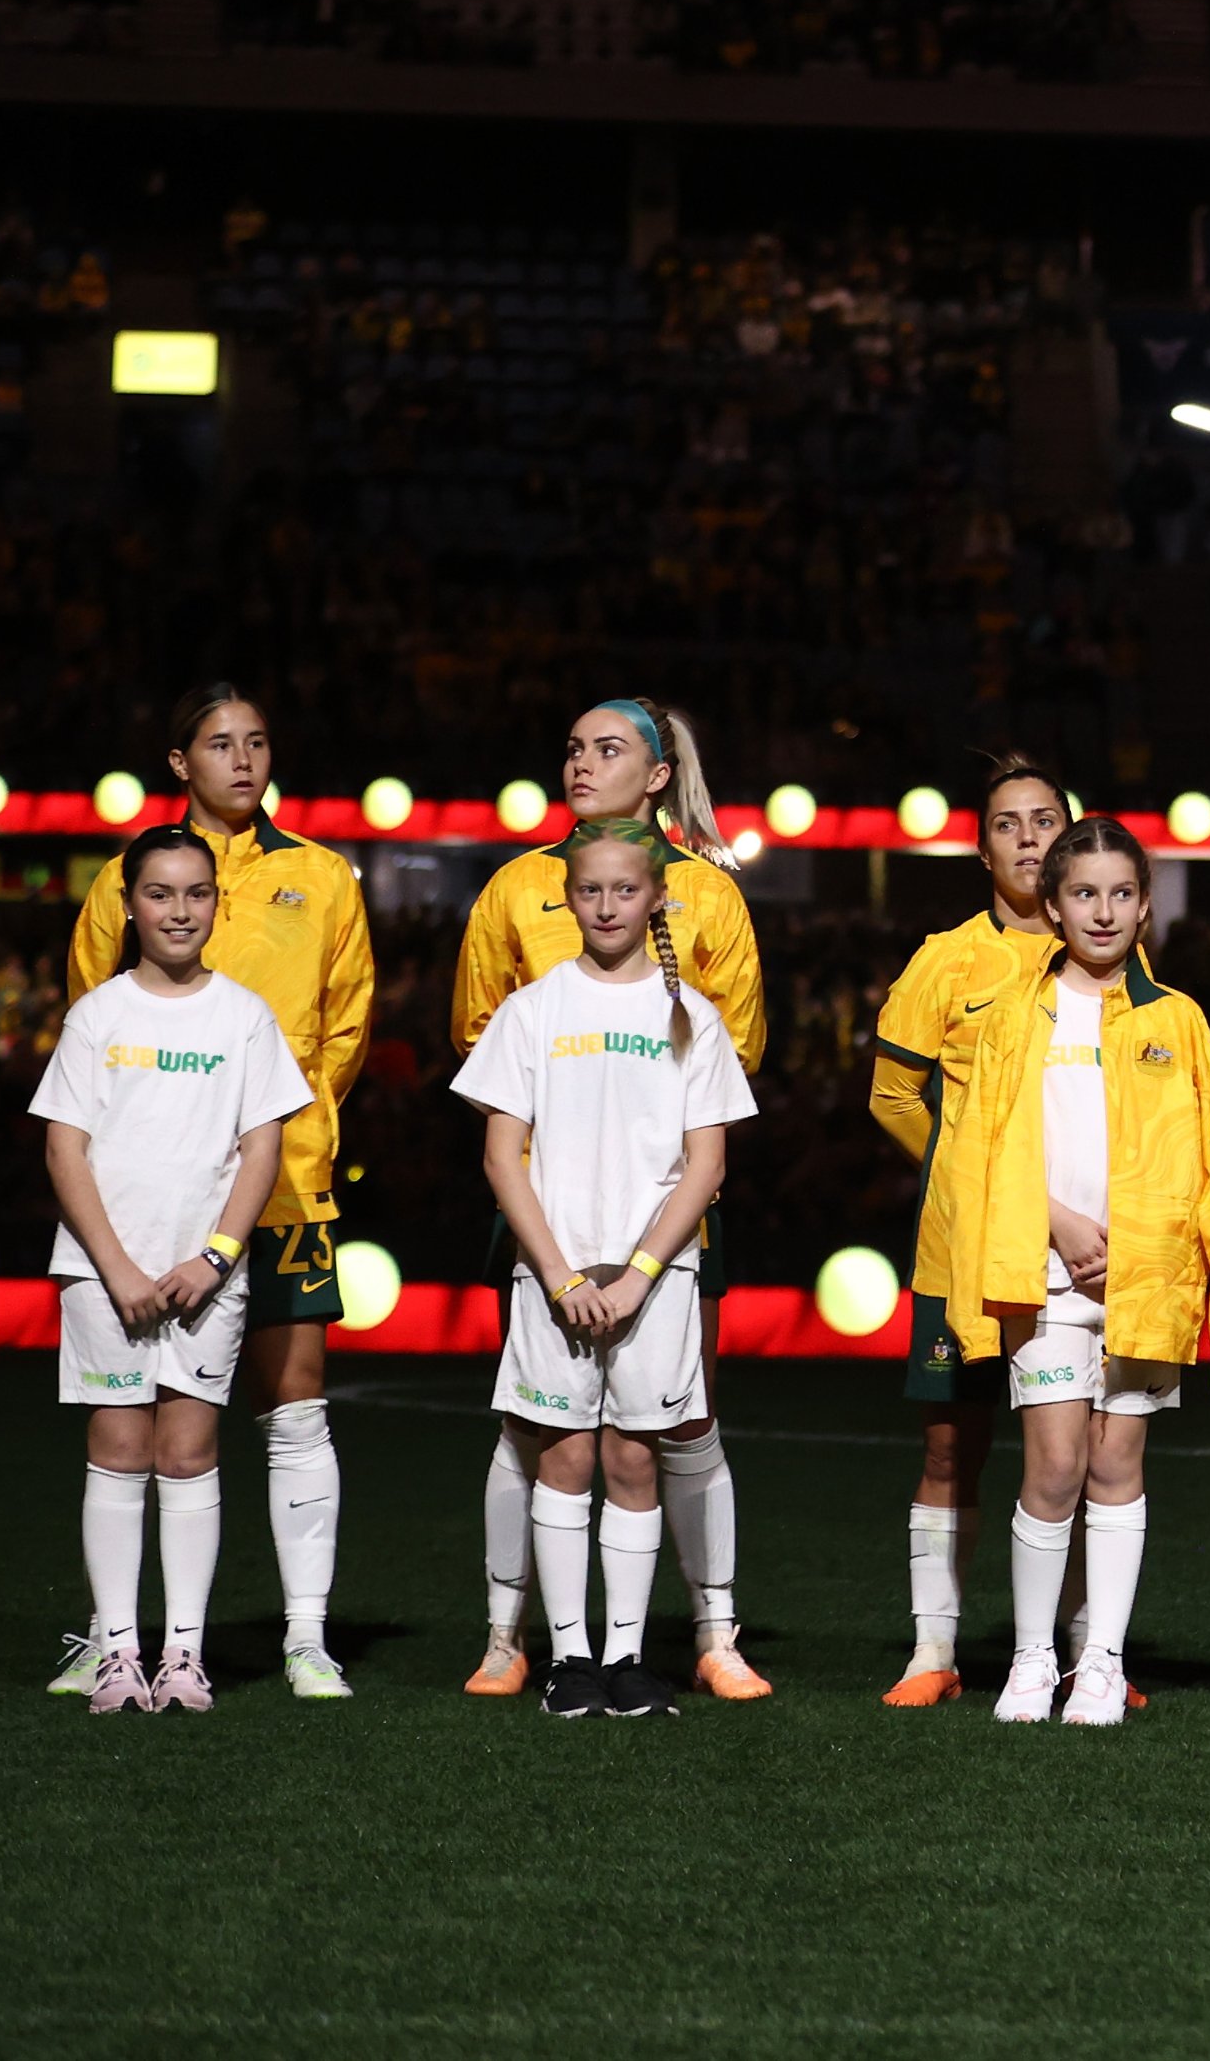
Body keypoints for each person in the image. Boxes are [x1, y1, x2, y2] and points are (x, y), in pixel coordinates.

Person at [58, 684, 373, 1701]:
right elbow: (92, 1015)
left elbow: (341, 1031)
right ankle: (116, 1639)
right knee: (134, 1424)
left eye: (259, 742)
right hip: (147, 1198)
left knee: (293, 1403)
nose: (243, 759)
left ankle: (304, 1636)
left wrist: (287, 1140)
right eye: (219, 744)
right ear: (178, 761)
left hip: (280, 1189)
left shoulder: (321, 876)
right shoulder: (125, 877)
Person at [451, 697, 768, 1701]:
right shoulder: (514, 893)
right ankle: (520, 1638)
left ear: (661, 771)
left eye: (609, 748)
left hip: (660, 1227)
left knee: (672, 1429)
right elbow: (480, 1044)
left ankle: (705, 1632)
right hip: (549, 1216)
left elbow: (729, 1070)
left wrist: (640, 1258)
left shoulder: (710, 904)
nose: (583, 764)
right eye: (572, 747)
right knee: (541, 1437)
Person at [927, 816, 1210, 1724]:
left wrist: (1179, 1268)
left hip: (1141, 1281)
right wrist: (1063, 1226)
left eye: (1122, 893)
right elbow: (980, 1150)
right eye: (1084, 893)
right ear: (1053, 903)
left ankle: (1102, 1663)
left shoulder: (1177, 1019)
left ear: (1147, 905)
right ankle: (1032, 1660)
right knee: (1054, 1467)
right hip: (1041, 1272)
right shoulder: (1009, 1020)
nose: (1103, 911)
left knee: (1119, 1467)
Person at [34, 824, 308, 1715]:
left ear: (217, 905)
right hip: (104, 1275)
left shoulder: (243, 1016)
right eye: (160, 894)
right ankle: (118, 1651)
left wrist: (215, 1256)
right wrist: (114, 1268)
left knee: (188, 1454)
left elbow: (261, 1147)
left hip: (204, 1279)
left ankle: (182, 1656)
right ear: (130, 904)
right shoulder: (98, 1015)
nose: (179, 910)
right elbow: (64, 1148)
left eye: (196, 893)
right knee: (118, 1449)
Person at [862, 755, 1066, 1705]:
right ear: (982, 848)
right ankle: (932, 1654)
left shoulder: (1111, 955)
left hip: (1077, 1252)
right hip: (964, 1249)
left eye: (1044, 820)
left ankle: (1075, 1651)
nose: (1029, 838)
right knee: (954, 1446)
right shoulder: (947, 957)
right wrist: (968, 1182)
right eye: (1009, 824)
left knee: (1078, 1452)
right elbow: (893, 1093)